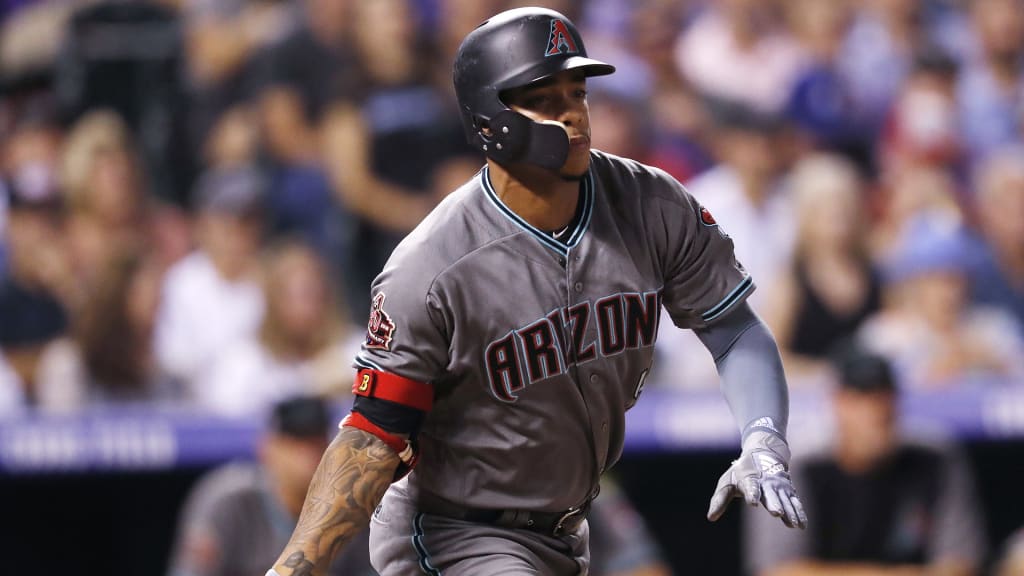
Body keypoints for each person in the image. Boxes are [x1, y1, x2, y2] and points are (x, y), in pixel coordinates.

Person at [268, 8, 805, 576]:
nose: (573, 114)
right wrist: (293, 570)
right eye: (546, 100)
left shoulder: (652, 204)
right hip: (453, 531)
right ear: (488, 121)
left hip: (567, 528)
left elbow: (733, 327)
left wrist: (763, 438)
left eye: (578, 93)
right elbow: (373, 435)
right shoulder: (432, 266)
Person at [744, 347, 986, 576]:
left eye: (884, 398)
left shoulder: (934, 456)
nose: (876, 412)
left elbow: (959, 565)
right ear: (838, 404)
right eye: (861, 399)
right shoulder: (794, 465)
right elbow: (777, 570)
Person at [167, 395, 374, 576]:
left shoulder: (348, 506)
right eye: (296, 442)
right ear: (268, 447)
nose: (308, 455)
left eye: (317, 442)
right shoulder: (229, 500)